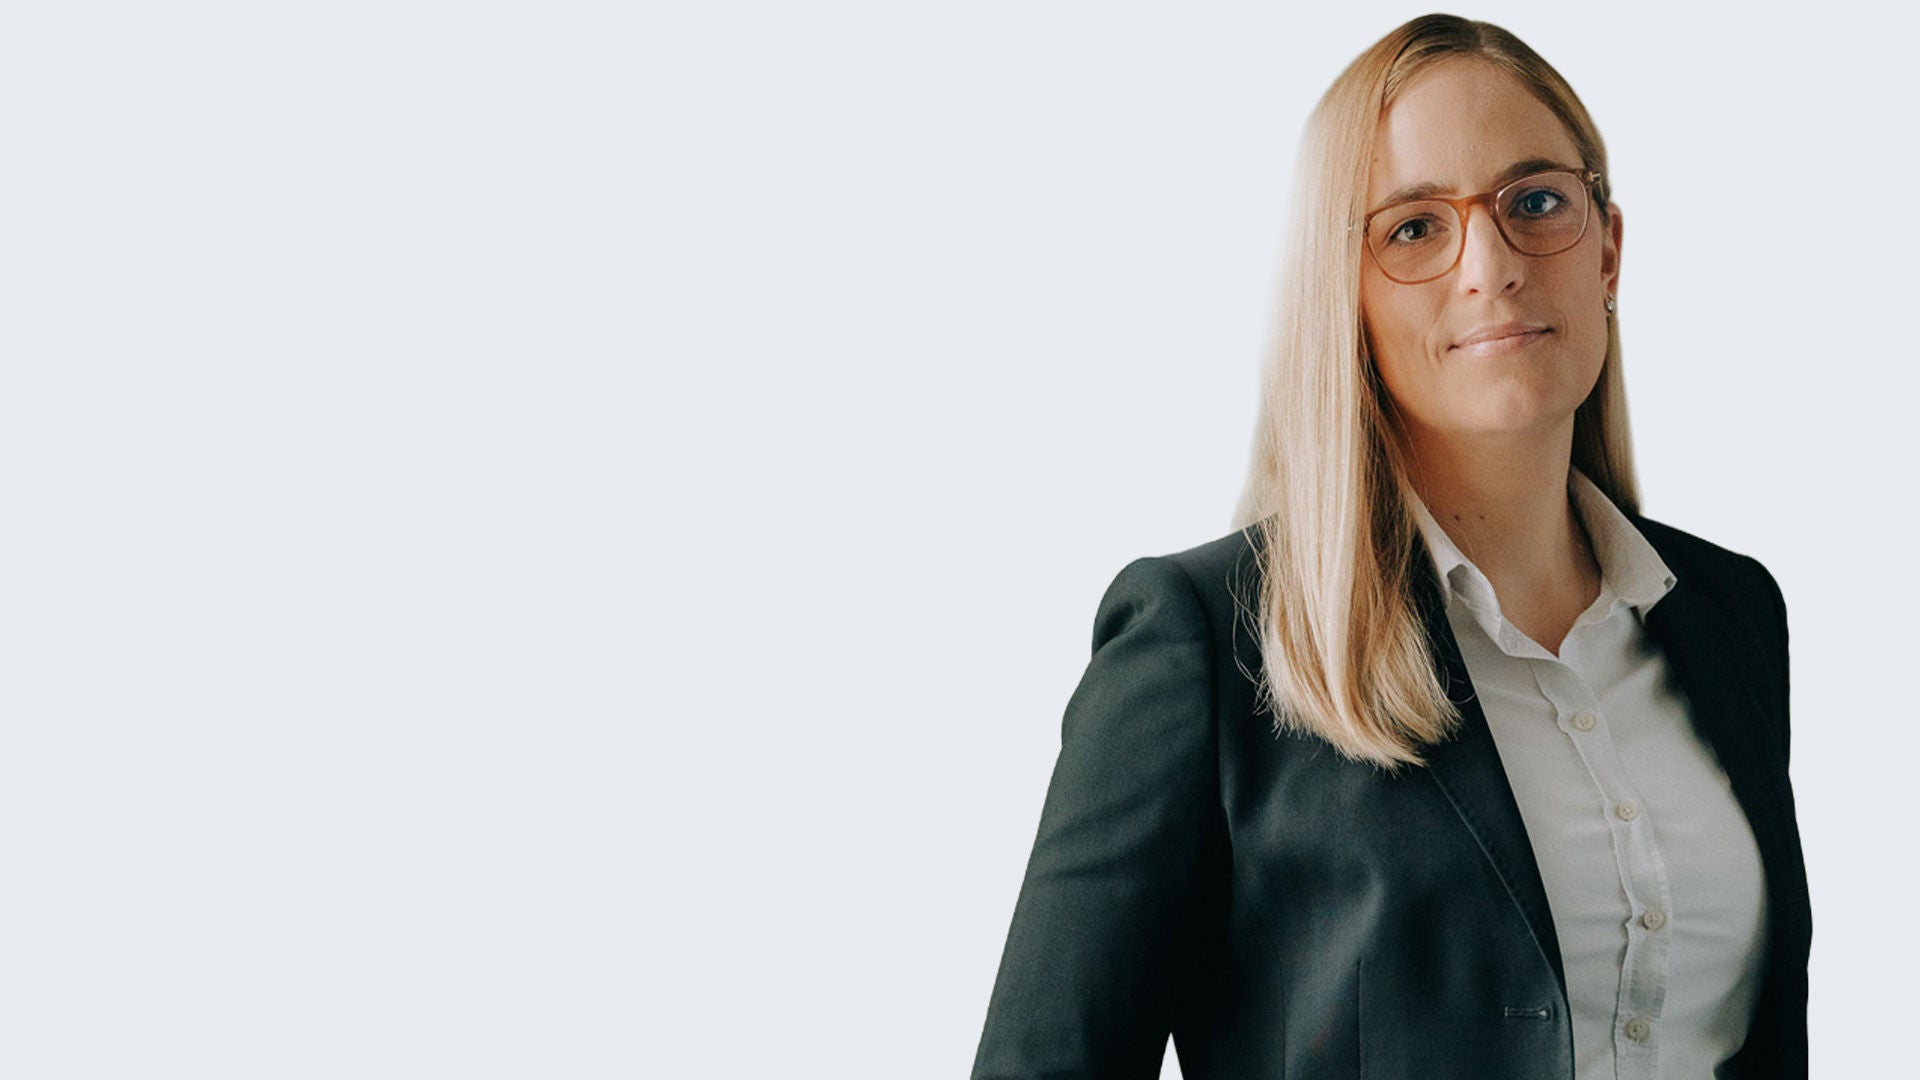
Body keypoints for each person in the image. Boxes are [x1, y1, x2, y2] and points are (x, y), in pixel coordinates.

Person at [968, 13, 1809, 1080]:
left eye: (1535, 202)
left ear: (1608, 248)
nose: (1491, 264)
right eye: (1414, 229)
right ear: (1345, 294)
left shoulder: (1728, 613)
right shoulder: (1206, 643)